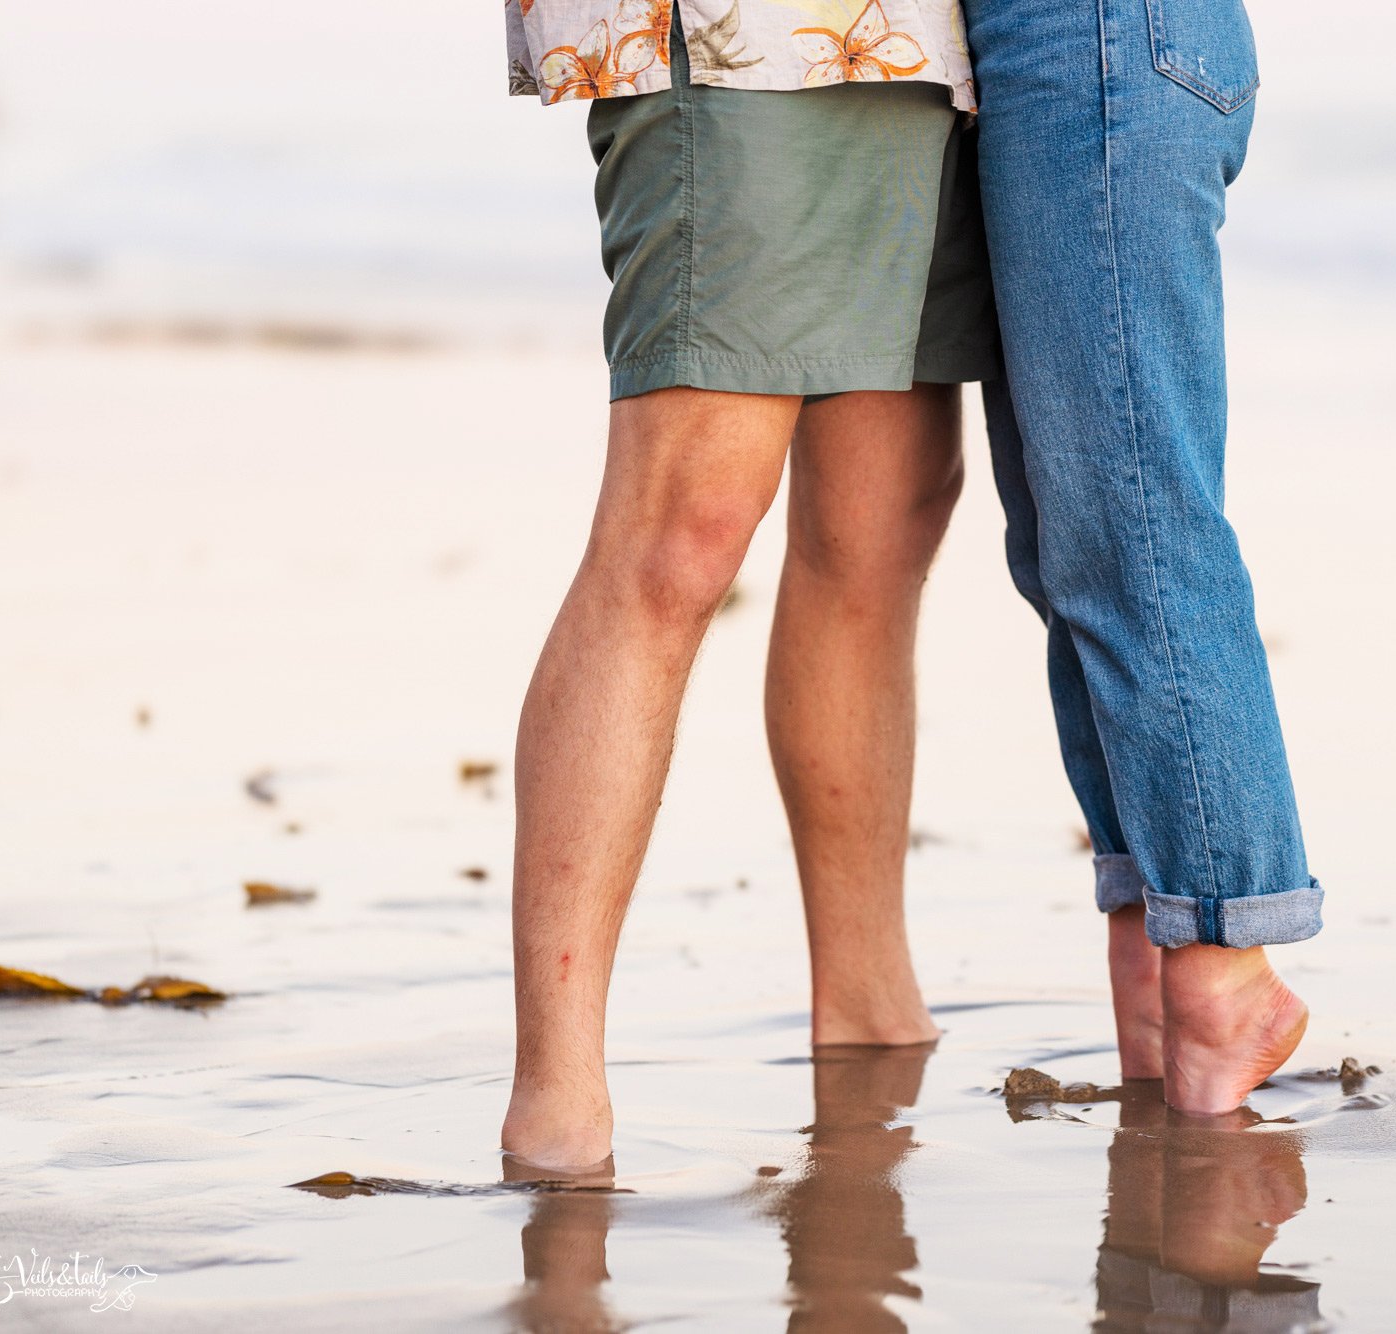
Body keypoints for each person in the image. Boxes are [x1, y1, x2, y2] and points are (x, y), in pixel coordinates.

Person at [498, 0, 999, 1170]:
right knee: (685, 520)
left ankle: (868, 1006)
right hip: (742, 27)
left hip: (939, 38)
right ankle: (556, 1099)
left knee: (890, 515)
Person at [964, 0, 1325, 1114]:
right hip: (1067, 45)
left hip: (1099, 35)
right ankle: (1158, 954)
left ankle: (1225, 958)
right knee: (1067, 542)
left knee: (1132, 524)